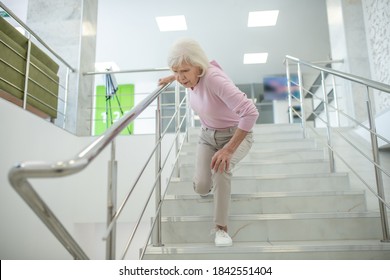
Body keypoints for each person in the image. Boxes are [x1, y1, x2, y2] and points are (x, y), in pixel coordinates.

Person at [159, 38, 259, 247]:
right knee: (202, 188)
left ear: (199, 67)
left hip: (235, 135)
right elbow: (185, 75)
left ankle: (221, 229)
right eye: (176, 71)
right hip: (207, 136)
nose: (181, 77)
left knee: (221, 168)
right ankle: (210, 180)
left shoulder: (214, 79)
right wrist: (173, 77)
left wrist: (229, 150)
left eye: (184, 71)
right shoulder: (191, 77)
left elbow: (250, 112)